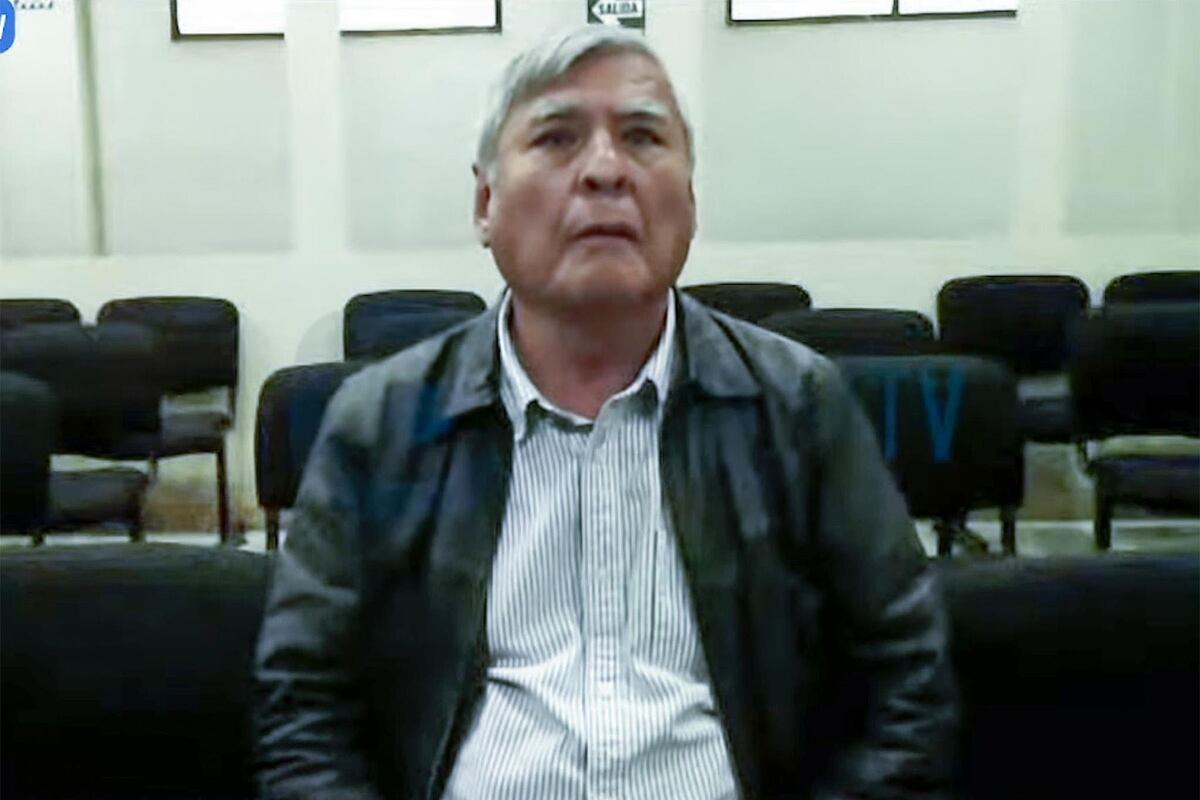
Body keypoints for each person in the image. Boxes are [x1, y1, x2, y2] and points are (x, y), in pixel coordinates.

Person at [254, 25, 956, 800]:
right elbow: (304, 708)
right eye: (557, 138)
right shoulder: (380, 425)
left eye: (643, 137)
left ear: (690, 201)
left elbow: (907, 688)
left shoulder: (799, 408)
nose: (605, 170)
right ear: (485, 203)